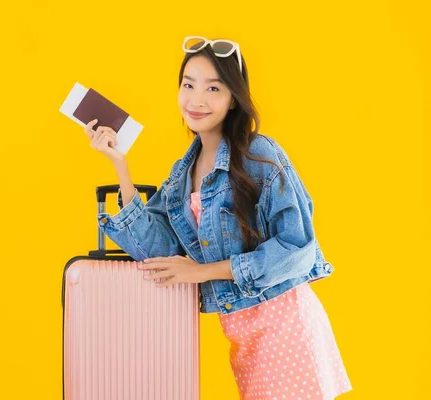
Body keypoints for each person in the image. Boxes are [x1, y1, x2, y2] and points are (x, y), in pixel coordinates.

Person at [84, 36, 352, 399]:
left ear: (233, 98)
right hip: (243, 336)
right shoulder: (182, 173)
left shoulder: (259, 155)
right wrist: (121, 167)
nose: (197, 100)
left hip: (285, 326)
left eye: (213, 88)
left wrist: (203, 271)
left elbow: (297, 249)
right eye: (188, 85)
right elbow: (158, 252)